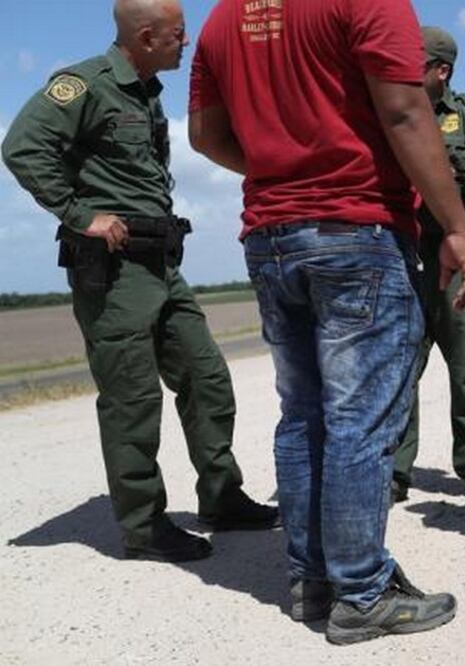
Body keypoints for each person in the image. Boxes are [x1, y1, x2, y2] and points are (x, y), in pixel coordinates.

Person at [187, 0, 465, 644]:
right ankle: (362, 591)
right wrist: (454, 225)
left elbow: (205, 136)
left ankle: (312, 579)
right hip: (357, 232)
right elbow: (405, 110)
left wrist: (280, 170)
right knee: (360, 420)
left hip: (270, 239)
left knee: (304, 416)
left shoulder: (219, 19)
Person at [1, 0, 278, 564]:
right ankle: (144, 526)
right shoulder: (86, 84)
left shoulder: (146, 92)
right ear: (147, 36)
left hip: (159, 262)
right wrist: (80, 215)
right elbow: (21, 147)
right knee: (132, 399)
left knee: (207, 378)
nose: (187, 42)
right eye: (179, 34)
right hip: (114, 270)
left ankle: (221, 497)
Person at [392, 26, 465, 507]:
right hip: (402, 255)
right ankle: (393, 471)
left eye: (413, 67)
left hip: (457, 258)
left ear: (442, 71)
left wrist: (424, 163)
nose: (403, 74)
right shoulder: (387, 110)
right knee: (397, 370)